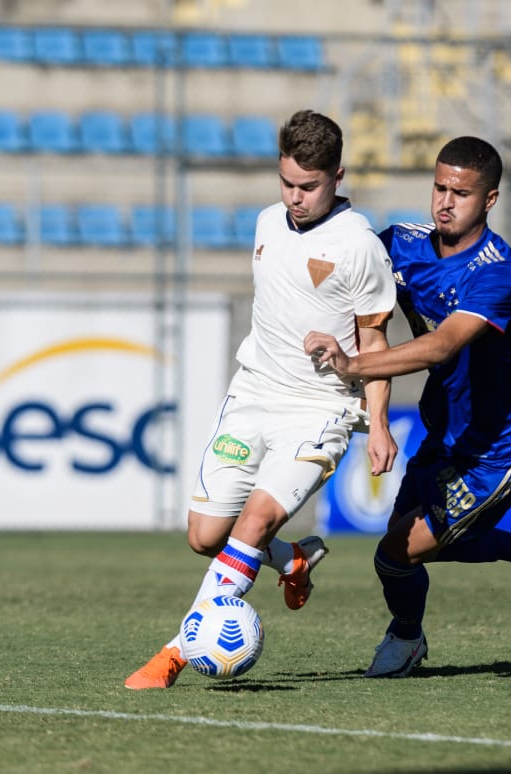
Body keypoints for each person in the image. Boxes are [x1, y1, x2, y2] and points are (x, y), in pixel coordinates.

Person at [125, 109, 399, 689]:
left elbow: (375, 344)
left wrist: (378, 424)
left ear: (338, 176)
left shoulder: (360, 246)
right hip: (252, 394)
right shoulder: (266, 224)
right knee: (205, 536)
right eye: (286, 184)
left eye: (309, 186)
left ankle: (175, 654)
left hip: (320, 409)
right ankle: (292, 558)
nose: (295, 198)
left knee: (254, 521)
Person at [305, 136, 511, 678]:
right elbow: (349, 260)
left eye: (462, 193)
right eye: (439, 188)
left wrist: (352, 368)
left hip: (504, 447)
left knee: (397, 553)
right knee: (406, 545)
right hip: (446, 433)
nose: (445, 202)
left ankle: (406, 639)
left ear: (490, 200)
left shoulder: (498, 271)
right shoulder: (402, 245)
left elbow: (442, 345)